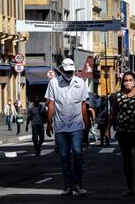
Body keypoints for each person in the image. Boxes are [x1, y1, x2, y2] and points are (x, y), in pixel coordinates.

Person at [45, 58, 89, 196]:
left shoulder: (81, 82)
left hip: (76, 125)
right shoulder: (54, 83)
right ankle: (68, 185)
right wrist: (49, 123)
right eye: (67, 71)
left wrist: (87, 124)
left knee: (77, 153)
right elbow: (51, 104)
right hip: (61, 126)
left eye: (71, 71)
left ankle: (77, 183)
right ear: (62, 70)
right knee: (64, 156)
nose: (69, 74)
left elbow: (83, 105)